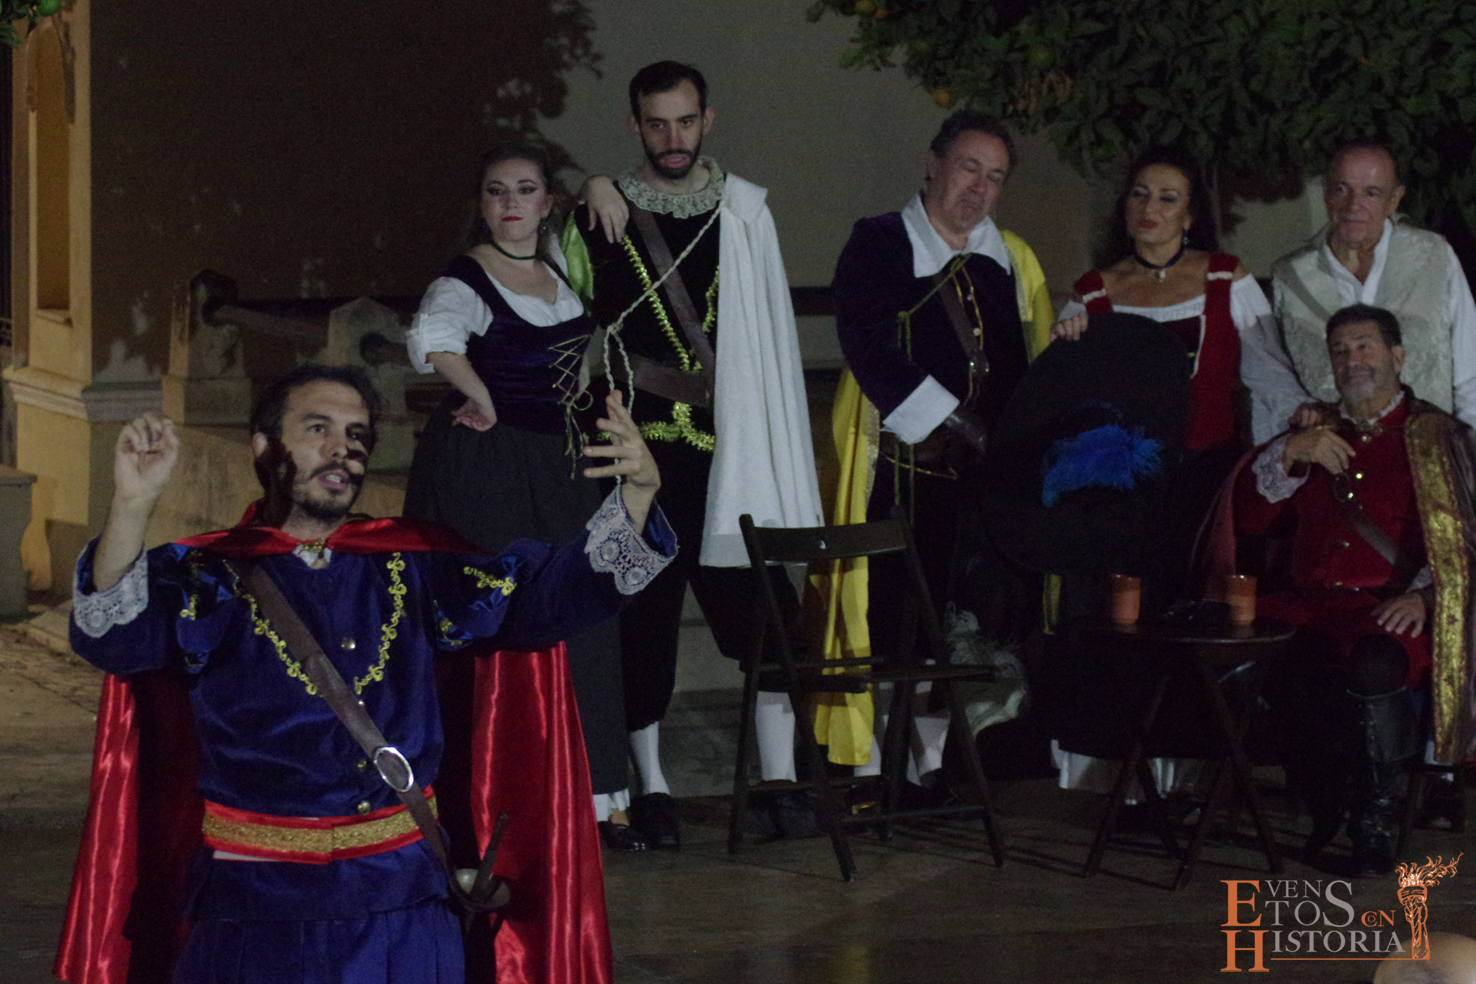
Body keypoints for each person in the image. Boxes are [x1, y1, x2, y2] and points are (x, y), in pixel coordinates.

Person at [59, 365, 674, 983]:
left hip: (404, 904)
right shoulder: (206, 577)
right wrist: (132, 505)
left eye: (356, 434)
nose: (342, 448)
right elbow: (116, 639)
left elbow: (544, 598)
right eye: (318, 428)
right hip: (255, 908)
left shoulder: (415, 563)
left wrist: (638, 495)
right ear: (265, 447)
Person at [562, 60, 823, 846]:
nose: (672, 138)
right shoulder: (600, 215)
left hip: (729, 444)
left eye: (684, 121)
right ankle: (653, 788)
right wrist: (589, 187)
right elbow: (562, 310)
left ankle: (779, 780)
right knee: (642, 619)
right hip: (636, 440)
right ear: (635, 125)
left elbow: (766, 333)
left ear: (706, 119)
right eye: (656, 124)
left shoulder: (743, 213)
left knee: (768, 617)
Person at [402, 142, 644, 851]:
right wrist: (481, 395)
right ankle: (497, 796)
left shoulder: (558, 264)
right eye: (497, 191)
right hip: (486, 468)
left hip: (560, 462)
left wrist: (596, 180)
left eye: (526, 190)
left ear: (546, 203)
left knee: (588, 606)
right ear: (482, 205)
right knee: (502, 620)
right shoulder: (465, 278)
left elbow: (598, 221)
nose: (511, 203)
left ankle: (601, 796)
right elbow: (433, 341)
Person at [823, 110, 1053, 776]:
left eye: (995, 177)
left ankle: (936, 769)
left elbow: (1025, 363)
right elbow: (868, 345)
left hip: (984, 483)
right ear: (933, 164)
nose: (979, 188)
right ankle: (876, 771)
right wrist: (953, 423)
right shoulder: (878, 242)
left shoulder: (1010, 258)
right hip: (903, 472)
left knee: (968, 629)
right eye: (968, 167)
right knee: (892, 620)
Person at [1046, 146, 1279, 797]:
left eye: (1167, 198)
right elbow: (1063, 402)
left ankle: (1188, 780)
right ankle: (1124, 779)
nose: (1150, 208)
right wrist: (1068, 350)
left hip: (1203, 486)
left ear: (1190, 215)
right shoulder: (1093, 292)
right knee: (1123, 626)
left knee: (1192, 623)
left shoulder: (1227, 279)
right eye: (1140, 194)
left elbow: (1271, 379)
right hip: (1122, 498)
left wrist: (1279, 460)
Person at [1231, 304, 1476, 876]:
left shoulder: (1442, 437)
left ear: (1398, 356)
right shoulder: (1312, 431)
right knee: (1232, 655)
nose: (1351, 359)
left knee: (1372, 665)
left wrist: (1426, 598)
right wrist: (1289, 454)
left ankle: (1376, 816)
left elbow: (1468, 540)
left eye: (1364, 345)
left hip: (1388, 607)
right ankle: (1317, 797)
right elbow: (1250, 520)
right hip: (1304, 604)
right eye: (1340, 350)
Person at [1264, 138, 1476, 434]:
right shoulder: (1290, 275)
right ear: (1325, 192)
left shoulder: (1433, 256)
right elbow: (1273, 381)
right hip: (1332, 449)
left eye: (1371, 193)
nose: (1354, 205)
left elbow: (1471, 373)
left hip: (1427, 447)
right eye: (1342, 189)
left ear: (1395, 199)